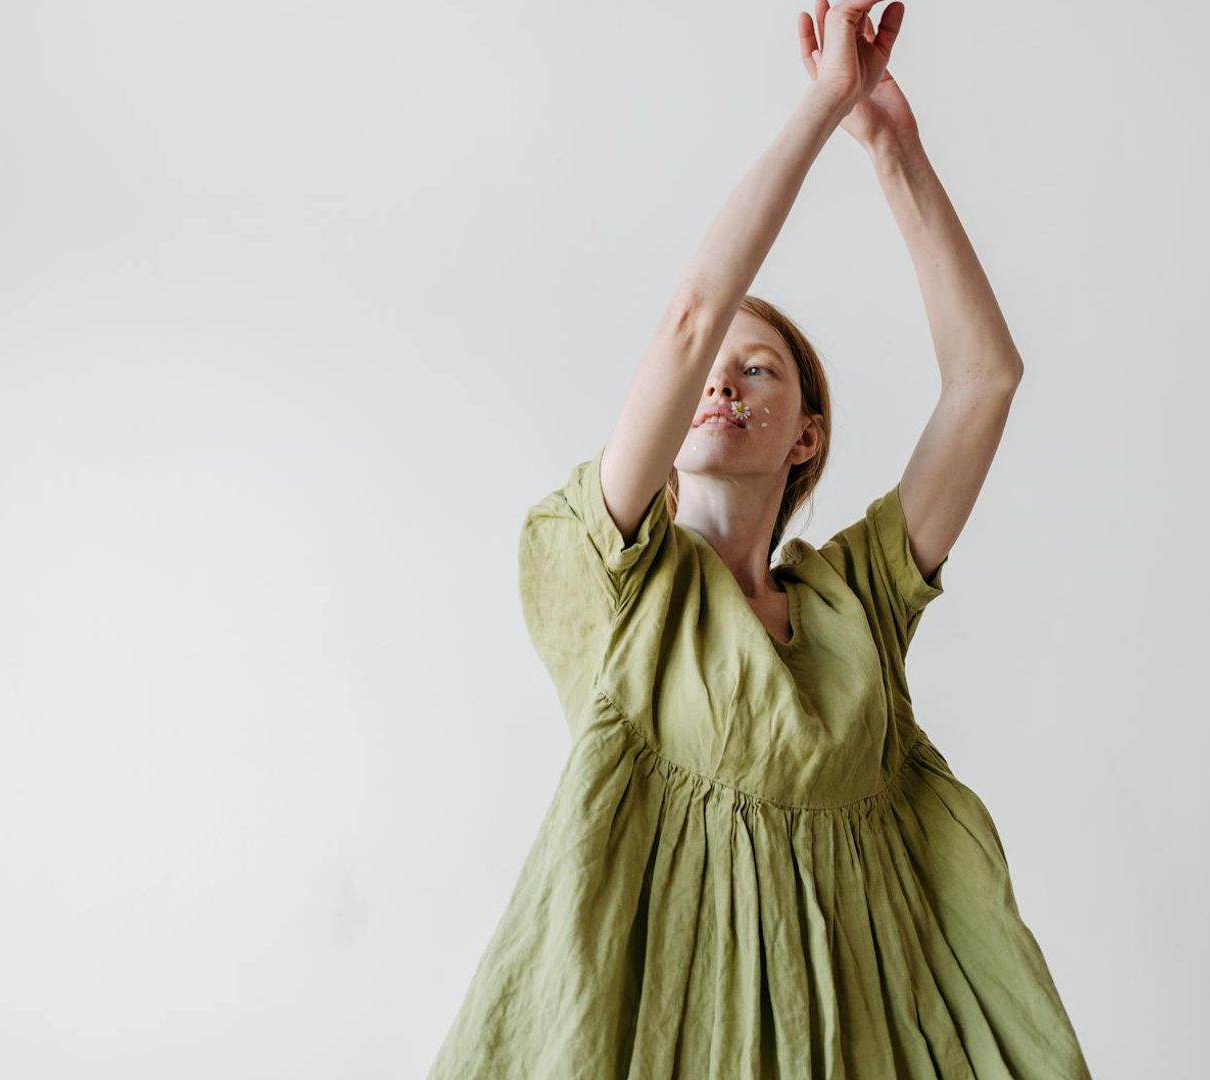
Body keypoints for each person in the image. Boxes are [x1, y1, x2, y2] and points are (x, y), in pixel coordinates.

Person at [427, 1, 1093, 1077]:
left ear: (806, 435)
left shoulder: (854, 605)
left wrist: (894, 151)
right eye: (709, 368)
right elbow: (690, 316)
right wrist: (825, 105)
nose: (721, 383)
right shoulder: (618, 586)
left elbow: (986, 380)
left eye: (760, 370)